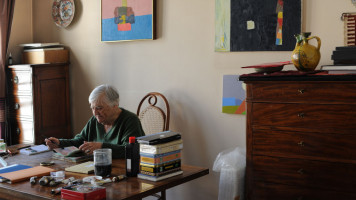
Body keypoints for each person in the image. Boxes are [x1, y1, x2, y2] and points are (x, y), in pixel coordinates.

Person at [45, 84, 145, 158]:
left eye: (99, 108)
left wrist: (101, 147)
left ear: (115, 105)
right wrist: (59, 143)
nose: (95, 112)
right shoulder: (96, 120)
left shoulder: (130, 120)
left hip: (124, 171)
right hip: (98, 169)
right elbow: (80, 141)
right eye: (92, 108)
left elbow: (130, 150)